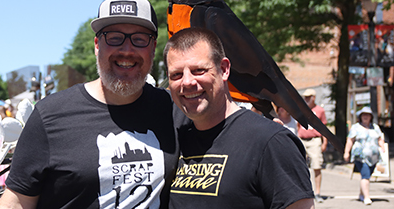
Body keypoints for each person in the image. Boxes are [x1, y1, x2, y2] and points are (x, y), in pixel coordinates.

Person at [0, 0, 179, 209]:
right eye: (114, 37)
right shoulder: (50, 116)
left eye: (139, 39)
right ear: (97, 45)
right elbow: (15, 203)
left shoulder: (174, 108)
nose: (127, 50)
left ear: (153, 47)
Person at [163, 27, 314, 208]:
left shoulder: (271, 141)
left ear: (224, 69)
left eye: (198, 70)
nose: (187, 82)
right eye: (176, 75)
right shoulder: (174, 141)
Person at [343, 107, 386, 205]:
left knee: (366, 176)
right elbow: (350, 140)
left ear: (371, 117)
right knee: (365, 175)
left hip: (373, 157)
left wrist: (382, 146)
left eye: (367, 115)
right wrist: (346, 152)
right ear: (360, 116)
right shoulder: (356, 127)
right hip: (360, 156)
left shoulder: (375, 127)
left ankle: (361, 194)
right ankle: (367, 197)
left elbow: (380, 138)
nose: (365, 117)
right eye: (363, 115)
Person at [297, 89, 328, 203]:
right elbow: (297, 124)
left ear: (314, 97)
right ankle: (302, 192)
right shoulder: (301, 109)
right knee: (299, 166)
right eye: (305, 97)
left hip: (315, 140)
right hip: (302, 139)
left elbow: (324, 127)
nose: (306, 99)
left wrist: (325, 142)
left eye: (309, 97)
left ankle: (318, 192)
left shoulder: (320, 110)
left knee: (316, 166)